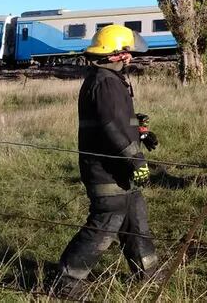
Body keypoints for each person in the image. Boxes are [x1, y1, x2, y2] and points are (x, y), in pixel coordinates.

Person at [53, 24, 159, 297]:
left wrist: (141, 130)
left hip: (119, 168)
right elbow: (111, 126)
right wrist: (135, 160)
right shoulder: (104, 82)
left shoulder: (113, 80)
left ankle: (148, 273)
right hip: (106, 170)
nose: (131, 57)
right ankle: (67, 281)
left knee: (135, 219)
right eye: (128, 52)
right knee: (106, 222)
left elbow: (122, 119)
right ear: (116, 55)